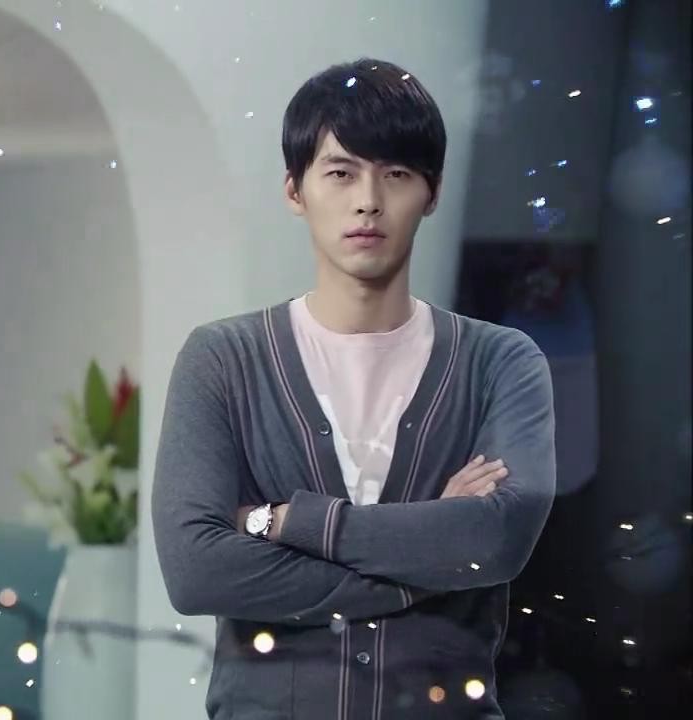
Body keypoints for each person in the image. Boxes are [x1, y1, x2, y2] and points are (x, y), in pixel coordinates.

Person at [152, 59, 555, 719]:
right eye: (340, 173)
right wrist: (423, 565)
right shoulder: (224, 360)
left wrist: (287, 522)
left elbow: (495, 541)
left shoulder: (499, 362)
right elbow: (196, 572)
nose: (368, 200)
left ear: (432, 192)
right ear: (295, 190)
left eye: (395, 174)